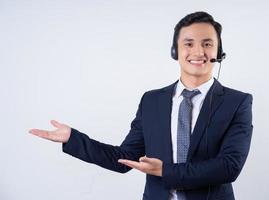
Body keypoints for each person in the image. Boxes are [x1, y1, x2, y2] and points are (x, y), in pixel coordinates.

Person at [29, 11, 253, 200]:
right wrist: (73, 138)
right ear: (175, 51)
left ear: (218, 53)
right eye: (188, 44)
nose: (197, 52)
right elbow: (125, 158)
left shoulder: (238, 102)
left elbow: (229, 166)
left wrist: (165, 171)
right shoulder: (152, 101)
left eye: (207, 44)